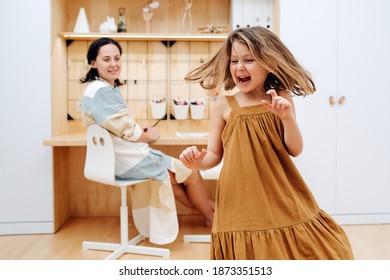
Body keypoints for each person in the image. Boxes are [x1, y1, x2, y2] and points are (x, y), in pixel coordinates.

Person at [179, 26, 354, 260]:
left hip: (280, 192)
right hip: (238, 198)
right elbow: (213, 154)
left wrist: (287, 118)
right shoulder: (223, 104)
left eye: (249, 60)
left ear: (267, 63)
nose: (239, 67)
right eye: (234, 61)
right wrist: (197, 162)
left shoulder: (281, 96)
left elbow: (295, 149)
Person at [80, 37, 214, 245]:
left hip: (117, 160)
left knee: (176, 185)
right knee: (190, 172)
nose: (113, 64)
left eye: (117, 58)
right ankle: (212, 217)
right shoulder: (102, 90)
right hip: (130, 160)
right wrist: (149, 136)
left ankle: (210, 210)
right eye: (106, 59)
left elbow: (117, 126)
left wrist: (136, 131)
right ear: (93, 62)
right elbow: (128, 131)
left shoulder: (95, 89)